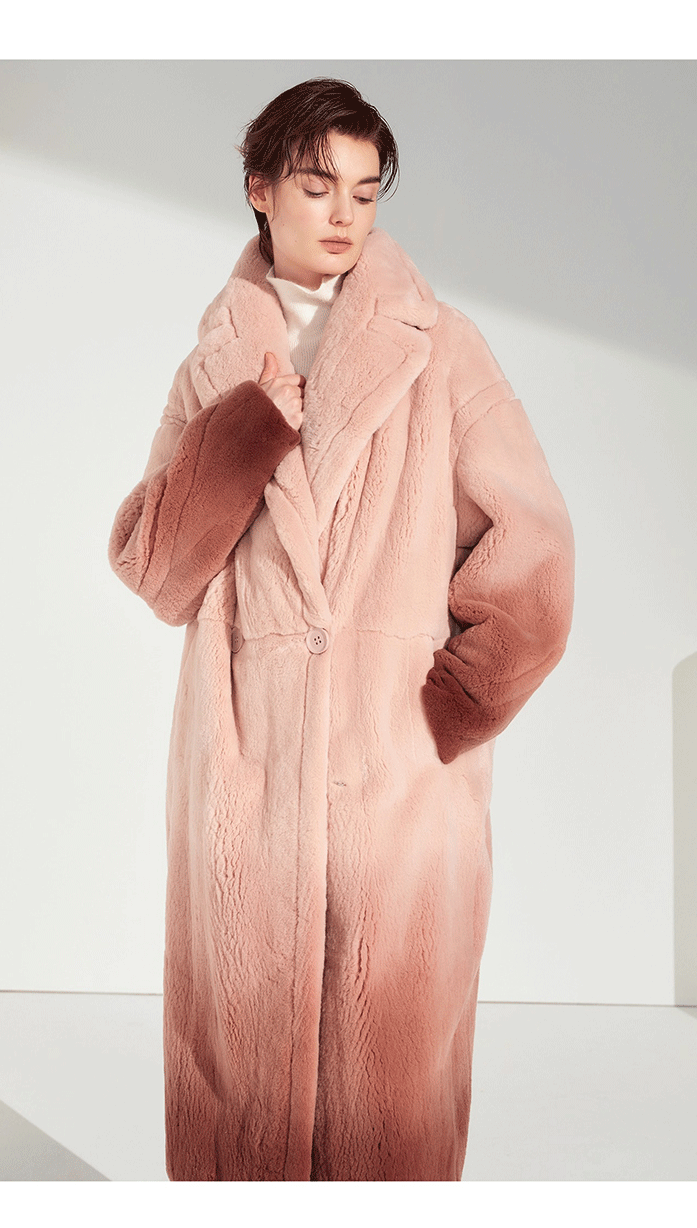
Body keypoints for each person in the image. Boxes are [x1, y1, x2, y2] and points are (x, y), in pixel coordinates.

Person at [109, 78, 574, 1182]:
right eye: (318, 186)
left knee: (389, 1084)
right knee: (241, 1086)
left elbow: (536, 554)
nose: (343, 214)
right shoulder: (215, 366)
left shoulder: (441, 350)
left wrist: (445, 713)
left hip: (396, 788)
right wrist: (243, 435)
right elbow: (155, 571)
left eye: (365, 192)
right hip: (248, 779)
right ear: (259, 188)